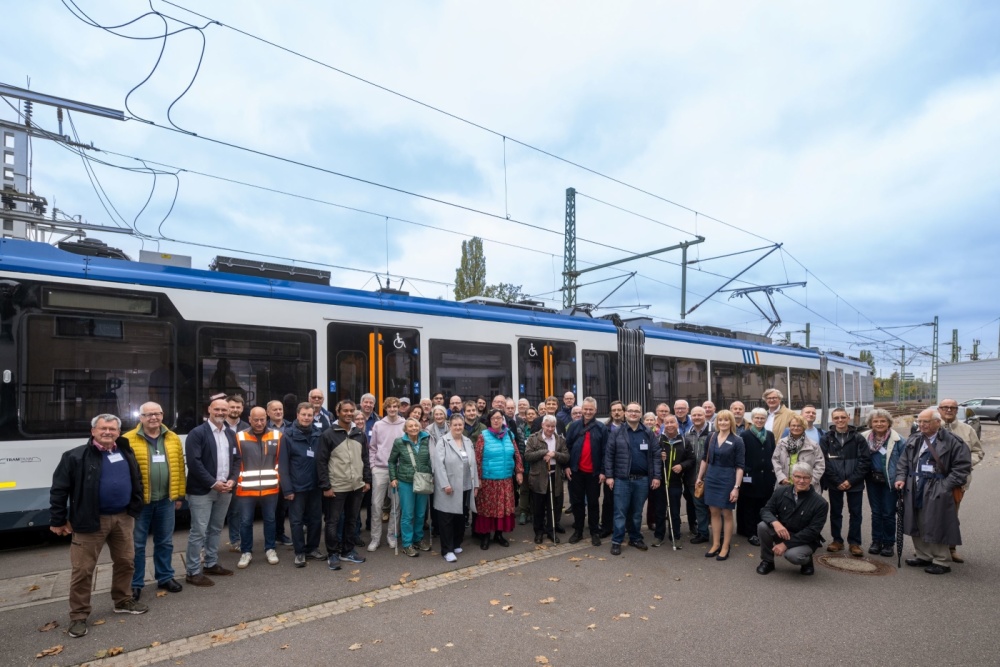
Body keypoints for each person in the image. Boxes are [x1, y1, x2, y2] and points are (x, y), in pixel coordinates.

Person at [50, 414, 147, 638]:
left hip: (123, 517)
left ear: (118, 432)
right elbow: (59, 490)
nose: (108, 432)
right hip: (89, 520)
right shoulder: (75, 456)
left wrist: (136, 503)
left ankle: (123, 600)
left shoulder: (125, 451)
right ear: (93, 431)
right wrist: (58, 519)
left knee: (125, 562)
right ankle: (79, 615)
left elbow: (137, 479)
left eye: (112, 429)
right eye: (103, 428)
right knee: (83, 570)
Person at [895, 408, 971, 575]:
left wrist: (944, 486)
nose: (922, 425)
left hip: (937, 486)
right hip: (914, 485)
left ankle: (941, 560)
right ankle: (923, 555)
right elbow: (903, 462)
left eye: (926, 422)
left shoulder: (953, 441)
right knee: (916, 521)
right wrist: (900, 478)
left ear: (938, 422)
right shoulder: (914, 438)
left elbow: (962, 468)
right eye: (919, 421)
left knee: (936, 522)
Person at [125, 402, 185, 601]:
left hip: (166, 500)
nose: (153, 418)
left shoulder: (173, 437)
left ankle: (165, 577)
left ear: (162, 415)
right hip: (140, 502)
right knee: (137, 545)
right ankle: (135, 584)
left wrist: (179, 495)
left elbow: (180, 467)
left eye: (157, 414)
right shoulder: (127, 439)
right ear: (140, 417)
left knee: (165, 542)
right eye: (148, 414)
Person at [184, 398, 240, 587]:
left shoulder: (230, 434)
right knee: (198, 531)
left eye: (224, 409)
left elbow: (237, 460)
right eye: (217, 409)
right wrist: (213, 483)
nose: (221, 412)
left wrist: (233, 479)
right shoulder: (197, 433)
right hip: (202, 491)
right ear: (209, 409)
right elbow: (194, 463)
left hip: (225, 489)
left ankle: (211, 563)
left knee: (216, 528)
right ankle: (192, 571)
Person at [318, 399, 371, 569]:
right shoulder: (328, 434)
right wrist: (326, 486)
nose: (349, 414)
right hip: (337, 486)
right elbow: (321, 462)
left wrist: (367, 480)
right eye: (345, 411)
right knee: (332, 521)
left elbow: (365, 459)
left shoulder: (359, 434)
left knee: (351, 520)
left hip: (356, 485)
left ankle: (347, 551)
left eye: (351, 411)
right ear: (338, 412)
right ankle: (333, 553)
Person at [604, 402, 662, 555]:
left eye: (636, 411)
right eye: (630, 411)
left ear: (640, 413)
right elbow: (609, 455)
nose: (633, 413)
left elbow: (656, 455)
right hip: (621, 479)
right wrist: (609, 476)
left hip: (642, 480)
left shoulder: (647, 432)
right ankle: (617, 541)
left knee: (637, 512)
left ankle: (635, 537)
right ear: (625, 413)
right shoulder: (617, 432)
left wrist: (656, 476)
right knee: (620, 512)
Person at [756, 462, 829, 576]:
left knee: (793, 556)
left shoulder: (820, 503)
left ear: (811, 479)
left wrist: (785, 545)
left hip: (806, 540)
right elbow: (765, 510)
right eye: (798, 476)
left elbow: (812, 531)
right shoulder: (780, 492)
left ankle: (807, 561)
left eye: (806, 477)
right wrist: (775, 523)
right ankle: (767, 561)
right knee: (762, 526)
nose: (801, 481)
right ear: (792, 477)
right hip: (784, 532)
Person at [938, 398, 985, 563]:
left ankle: (951, 549)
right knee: (929, 514)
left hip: (957, 481)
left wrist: (963, 464)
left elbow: (978, 452)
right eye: (945, 407)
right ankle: (928, 549)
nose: (949, 410)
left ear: (957, 410)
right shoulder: (931, 427)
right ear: (939, 409)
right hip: (933, 480)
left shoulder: (967, 430)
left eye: (952, 407)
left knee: (951, 515)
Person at [234, 407, 283, 569]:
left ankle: (270, 549)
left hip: (270, 488)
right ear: (249, 419)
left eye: (262, 419)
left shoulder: (277, 436)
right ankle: (246, 551)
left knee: (270, 520)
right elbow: (236, 462)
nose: (260, 423)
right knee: (245, 521)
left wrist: (279, 479)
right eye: (256, 420)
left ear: (266, 418)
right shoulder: (240, 436)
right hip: (246, 489)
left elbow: (280, 461)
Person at [820, 407, 871, 557]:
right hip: (834, 483)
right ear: (832, 419)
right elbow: (823, 462)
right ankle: (837, 540)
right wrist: (837, 481)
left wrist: (851, 480)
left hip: (854, 483)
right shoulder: (826, 438)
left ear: (848, 417)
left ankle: (854, 543)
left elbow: (865, 461)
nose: (840, 420)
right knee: (836, 512)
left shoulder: (858, 438)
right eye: (836, 418)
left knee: (855, 513)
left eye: (842, 417)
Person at [694, 410, 745, 561]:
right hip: (711, 477)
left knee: (727, 513)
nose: (723, 423)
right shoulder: (711, 437)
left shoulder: (737, 440)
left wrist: (736, 487)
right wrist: (699, 477)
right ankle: (716, 544)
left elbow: (740, 466)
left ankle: (725, 546)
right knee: (714, 512)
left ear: (731, 422)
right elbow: (705, 459)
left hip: (728, 479)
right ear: (717, 422)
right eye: (720, 420)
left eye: (726, 420)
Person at [281, 403, 326, 568]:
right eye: (304, 415)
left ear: (313, 416)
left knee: (315, 519)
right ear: (297, 415)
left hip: (315, 485)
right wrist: (287, 489)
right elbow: (283, 465)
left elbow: (323, 460)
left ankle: (312, 548)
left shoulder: (318, 434)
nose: (307, 418)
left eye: (309, 415)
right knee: (296, 521)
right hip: (296, 487)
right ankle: (299, 552)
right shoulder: (287, 436)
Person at [474, 409, 524, 549]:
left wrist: (519, 471)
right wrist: (478, 478)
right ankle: (485, 536)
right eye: (493, 418)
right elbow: (477, 458)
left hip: (506, 479)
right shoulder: (483, 436)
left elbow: (517, 454)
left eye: (499, 418)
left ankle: (499, 534)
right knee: (487, 508)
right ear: (489, 421)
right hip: (488, 479)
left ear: (503, 419)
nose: (496, 420)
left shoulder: (509, 434)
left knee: (502, 508)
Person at [434, 414, 479, 562]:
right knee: (447, 518)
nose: (458, 427)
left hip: (465, 486)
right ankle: (447, 550)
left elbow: (473, 465)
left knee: (460, 516)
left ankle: (456, 543)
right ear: (450, 425)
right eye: (455, 425)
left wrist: (475, 484)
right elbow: (438, 465)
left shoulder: (467, 441)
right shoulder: (443, 442)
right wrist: (445, 484)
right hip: (449, 486)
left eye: (460, 425)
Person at [861, 408, 905, 558]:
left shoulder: (898, 440)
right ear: (870, 423)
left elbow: (904, 463)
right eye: (876, 421)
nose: (879, 424)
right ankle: (876, 541)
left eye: (882, 421)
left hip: (890, 481)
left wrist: (901, 479)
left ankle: (888, 543)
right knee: (876, 512)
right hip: (872, 480)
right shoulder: (864, 437)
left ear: (888, 423)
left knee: (888, 513)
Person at [564, 397, 608, 546]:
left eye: (591, 409)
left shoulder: (601, 428)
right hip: (576, 471)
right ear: (582, 409)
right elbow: (566, 447)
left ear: (595, 410)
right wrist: (566, 466)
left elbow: (605, 452)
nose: (588, 412)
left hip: (594, 473)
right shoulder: (574, 426)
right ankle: (578, 531)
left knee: (593, 503)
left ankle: (594, 531)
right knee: (577, 503)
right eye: (586, 409)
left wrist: (603, 471)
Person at [389, 418, 433, 557]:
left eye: (416, 425)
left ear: (420, 427)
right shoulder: (399, 442)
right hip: (406, 481)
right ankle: (407, 543)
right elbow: (392, 461)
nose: (414, 428)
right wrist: (393, 478)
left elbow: (432, 459)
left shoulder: (427, 440)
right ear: (405, 429)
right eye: (410, 426)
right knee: (408, 514)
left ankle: (418, 539)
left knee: (420, 513)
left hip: (423, 480)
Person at [525, 415, 570, 544]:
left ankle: (551, 531)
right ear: (542, 425)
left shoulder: (560, 439)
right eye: (548, 426)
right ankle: (539, 532)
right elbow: (527, 456)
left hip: (555, 475)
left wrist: (555, 454)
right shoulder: (533, 438)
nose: (550, 429)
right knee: (538, 507)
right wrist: (543, 452)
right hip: (539, 477)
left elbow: (566, 456)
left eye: (552, 426)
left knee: (553, 506)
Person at [368, 397, 404, 551]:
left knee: (396, 505)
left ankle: (392, 536)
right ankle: (375, 538)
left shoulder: (404, 424)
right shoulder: (378, 425)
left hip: (398, 469)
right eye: (389, 407)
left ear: (398, 408)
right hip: (380, 469)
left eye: (395, 406)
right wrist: (373, 466)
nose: (392, 409)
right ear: (385, 408)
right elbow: (373, 447)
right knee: (376, 505)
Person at [737, 408, 776, 546]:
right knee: (749, 506)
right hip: (750, 476)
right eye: (757, 418)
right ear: (752, 419)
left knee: (764, 505)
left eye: (762, 418)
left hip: (766, 477)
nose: (759, 420)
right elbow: (741, 456)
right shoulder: (745, 435)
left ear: (766, 420)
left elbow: (773, 454)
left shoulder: (770, 435)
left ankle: (762, 531)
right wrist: (746, 470)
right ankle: (750, 532)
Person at [653, 415, 694, 548]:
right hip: (660, 481)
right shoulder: (658, 440)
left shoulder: (684, 441)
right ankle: (659, 536)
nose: (670, 425)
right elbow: (650, 457)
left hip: (675, 482)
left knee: (675, 511)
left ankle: (675, 536)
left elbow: (691, 459)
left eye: (672, 422)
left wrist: (682, 466)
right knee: (659, 511)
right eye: (667, 423)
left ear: (677, 424)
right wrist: (658, 455)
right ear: (663, 425)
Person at [265, 400, 294, 548]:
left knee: (282, 507)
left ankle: (280, 534)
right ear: (268, 412)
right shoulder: (263, 427)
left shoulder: (291, 426)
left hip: (286, 473)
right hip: (268, 473)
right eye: (274, 409)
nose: (278, 412)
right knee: (270, 509)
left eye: (280, 409)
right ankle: (270, 538)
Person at [773, 414, 825, 492]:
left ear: (804, 427)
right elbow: (775, 460)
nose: (796, 428)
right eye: (793, 425)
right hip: (785, 484)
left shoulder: (813, 445)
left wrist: (810, 481)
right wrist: (781, 477)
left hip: (807, 487)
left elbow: (820, 465)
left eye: (799, 426)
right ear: (789, 426)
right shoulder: (781, 443)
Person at [224, 395, 250, 552]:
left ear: (242, 409)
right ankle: (206, 547)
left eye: (238, 407)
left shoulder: (247, 427)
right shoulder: (219, 426)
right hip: (221, 476)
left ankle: (235, 541)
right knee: (214, 515)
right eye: (232, 407)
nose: (235, 410)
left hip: (241, 476)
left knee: (236, 511)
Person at [684, 407, 713, 544]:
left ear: (705, 415)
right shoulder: (687, 434)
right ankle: (703, 533)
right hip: (693, 478)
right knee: (699, 507)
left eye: (699, 415)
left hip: (712, 477)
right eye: (694, 415)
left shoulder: (714, 432)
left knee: (715, 508)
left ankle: (721, 535)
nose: (696, 417)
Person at [600, 401, 626, 538]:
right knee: (608, 501)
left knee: (624, 501)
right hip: (609, 470)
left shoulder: (629, 427)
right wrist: (603, 471)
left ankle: (622, 526)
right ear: (611, 413)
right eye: (614, 410)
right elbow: (602, 452)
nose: (616, 412)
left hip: (625, 470)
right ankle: (606, 527)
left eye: (619, 410)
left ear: (623, 412)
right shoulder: (605, 429)